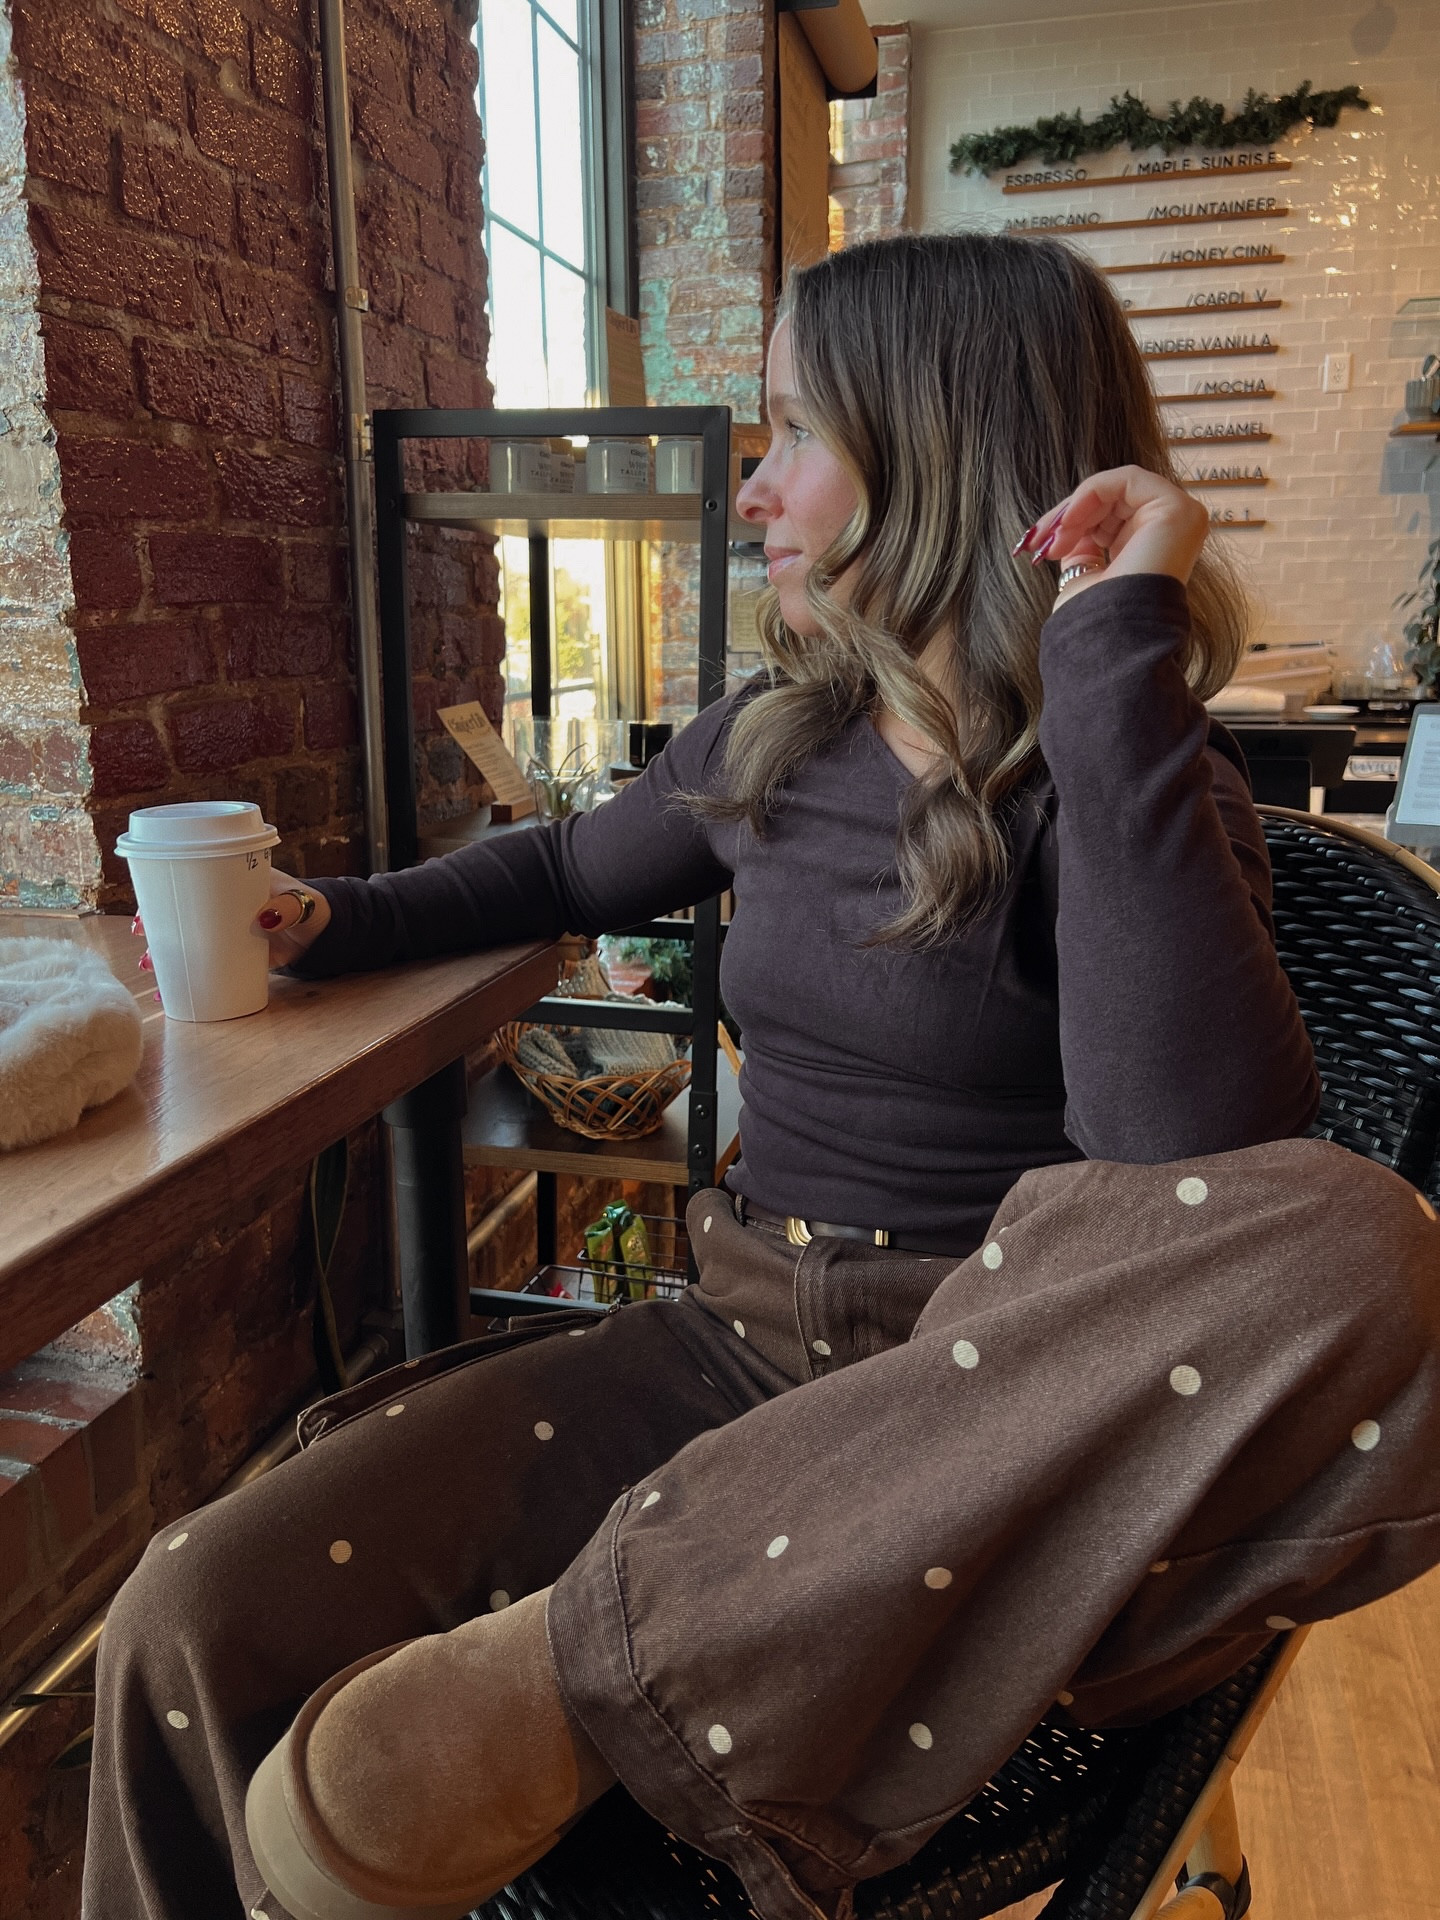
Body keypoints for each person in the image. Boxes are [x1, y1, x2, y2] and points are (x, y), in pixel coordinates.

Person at [85, 234, 1440, 1920]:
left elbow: (1192, 1154)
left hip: (978, 1413)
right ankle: (616, 1663)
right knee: (188, 1613)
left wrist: (1114, 657)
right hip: (727, 1341)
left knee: (1356, 1235)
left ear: (937, 456)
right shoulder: (773, 737)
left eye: (795, 434)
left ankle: (582, 1674)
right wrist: (327, 921)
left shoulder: (1140, 780)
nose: (753, 495)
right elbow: (563, 869)